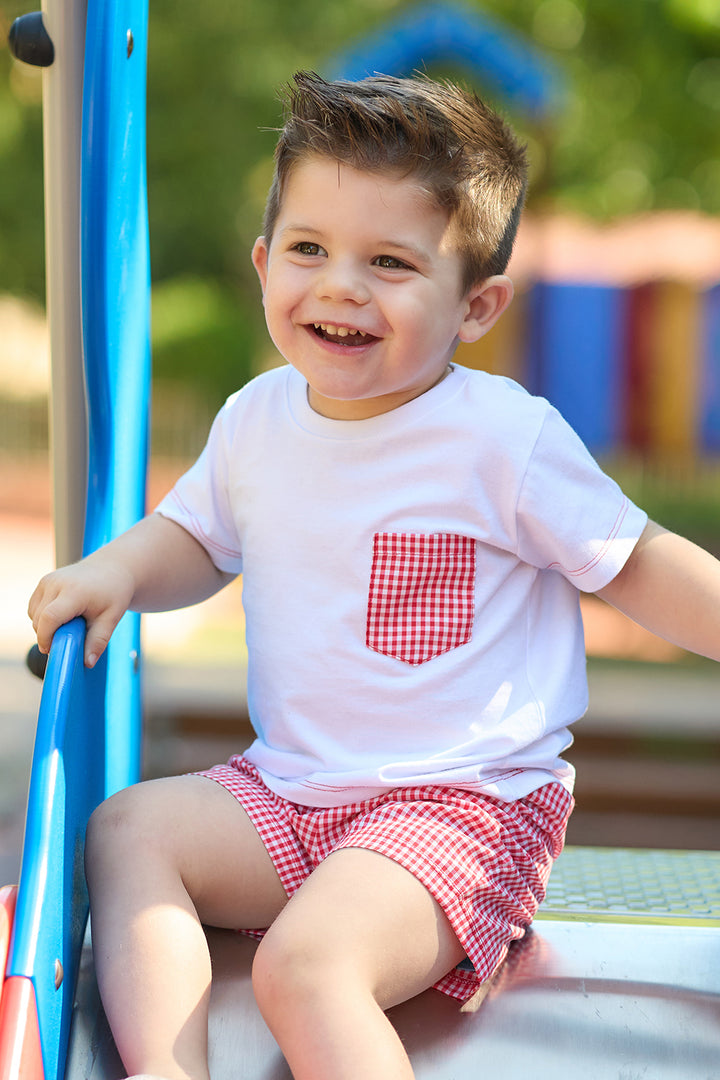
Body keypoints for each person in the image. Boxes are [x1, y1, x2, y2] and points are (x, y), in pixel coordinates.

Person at [29, 71, 720, 1080]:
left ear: (476, 304)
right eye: (310, 249)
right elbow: (195, 538)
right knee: (129, 828)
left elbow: (638, 566)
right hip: (291, 794)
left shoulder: (499, 439)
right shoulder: (257, 420)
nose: (341, 285)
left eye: (390, 262)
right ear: (265, 262)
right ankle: (167, 1071)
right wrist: (119, 572)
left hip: (465, 808)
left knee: (307, 968)